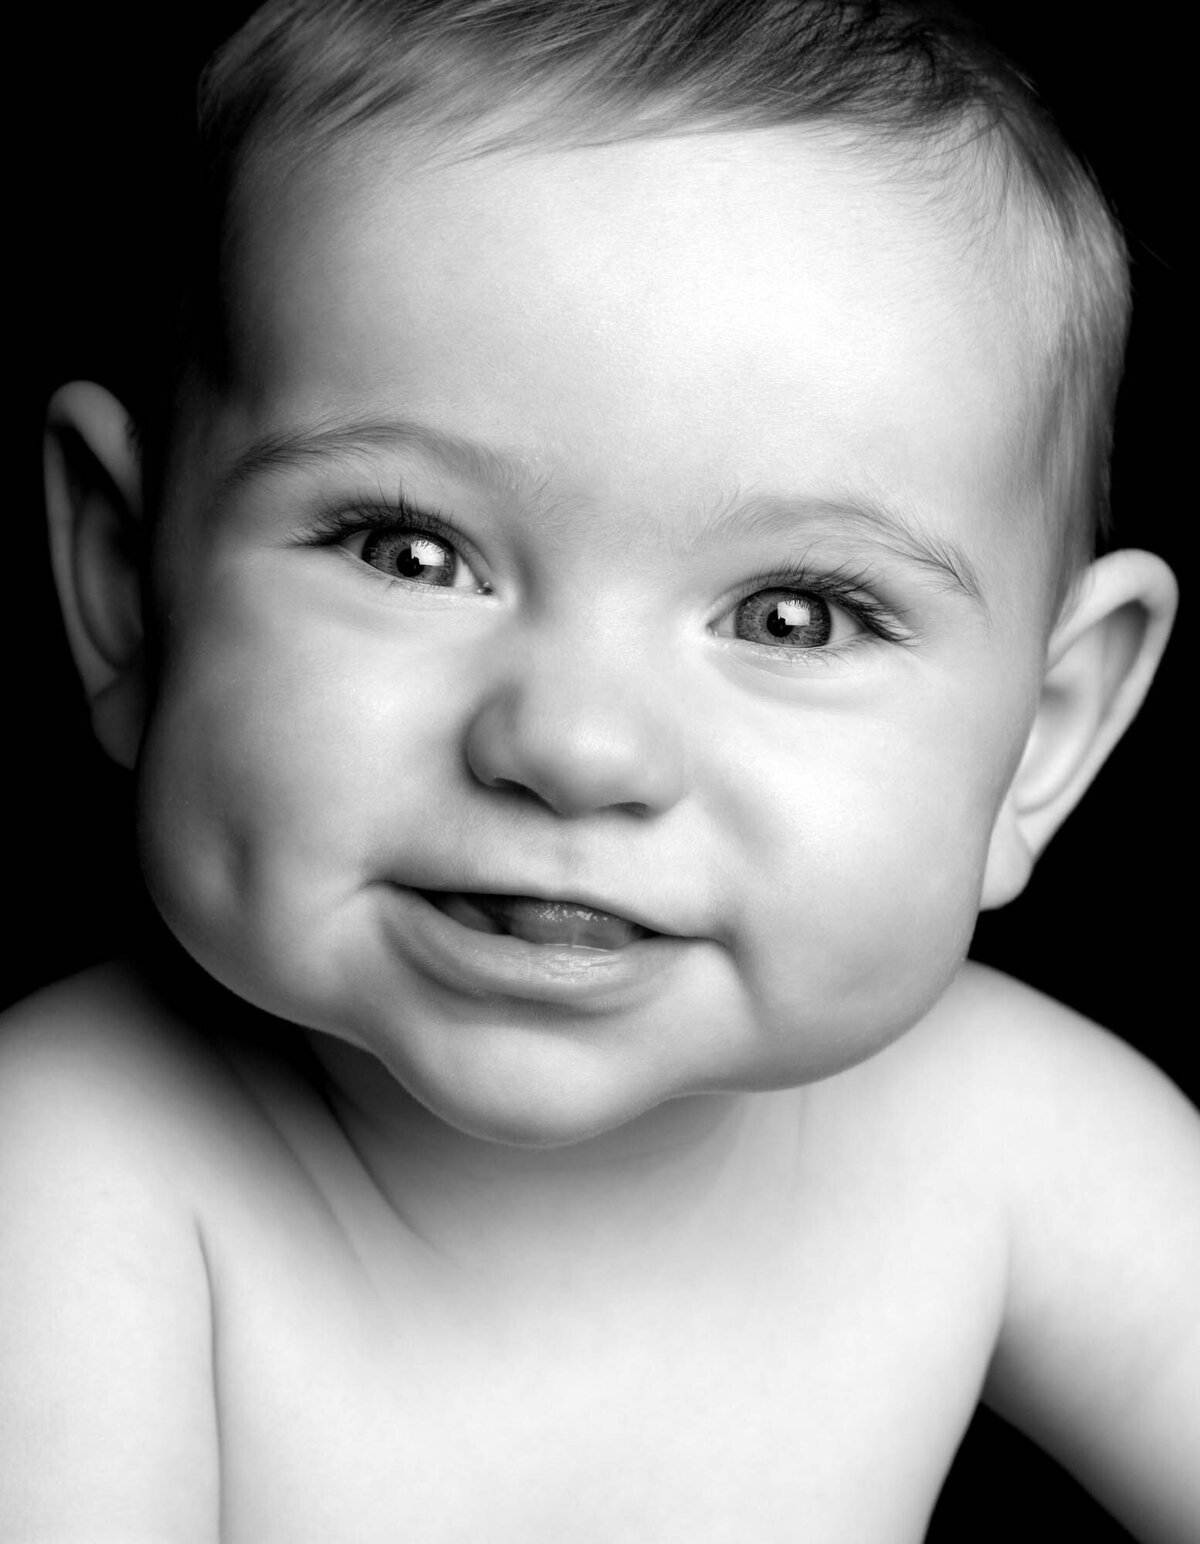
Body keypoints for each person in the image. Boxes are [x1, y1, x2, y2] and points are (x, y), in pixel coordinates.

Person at [3, 2, 1195, 1539]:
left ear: (1042, 741)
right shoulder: (70, 1173)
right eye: (410, 551)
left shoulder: (1013, 1133)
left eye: (794, 614)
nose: (576, 749)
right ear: (125, 585)